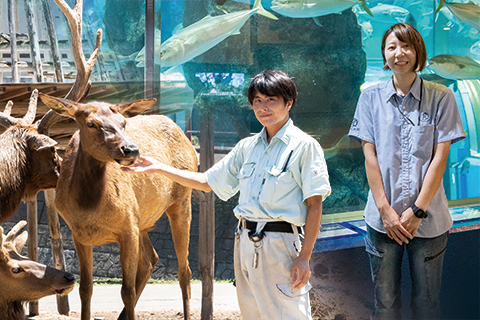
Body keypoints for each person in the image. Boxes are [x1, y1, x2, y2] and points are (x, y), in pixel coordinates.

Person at [122, 69, 331, 319]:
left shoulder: (304, 146)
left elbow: (315, 205)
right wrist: (158, 167)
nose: (263, 107)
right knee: (252, 314)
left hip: (281, 245)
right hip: (243, 242)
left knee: (288, 315)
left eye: (271, 100)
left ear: (289, 103)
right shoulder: (247, 147)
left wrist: (304, 257)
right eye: (257, 101)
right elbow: (206, 181)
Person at [349, 23, 465, 320]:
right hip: (382, 221)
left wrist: (418, 211)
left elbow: (440, 158)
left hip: (429, 222)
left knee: (427, 304)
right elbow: (369, 156)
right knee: (384, 304)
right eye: (391, 47)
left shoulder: (441, 97)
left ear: (418, 51)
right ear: (384, 54)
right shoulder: (369, 97)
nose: (399, 53)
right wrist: (385, 210)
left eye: (406, 46)